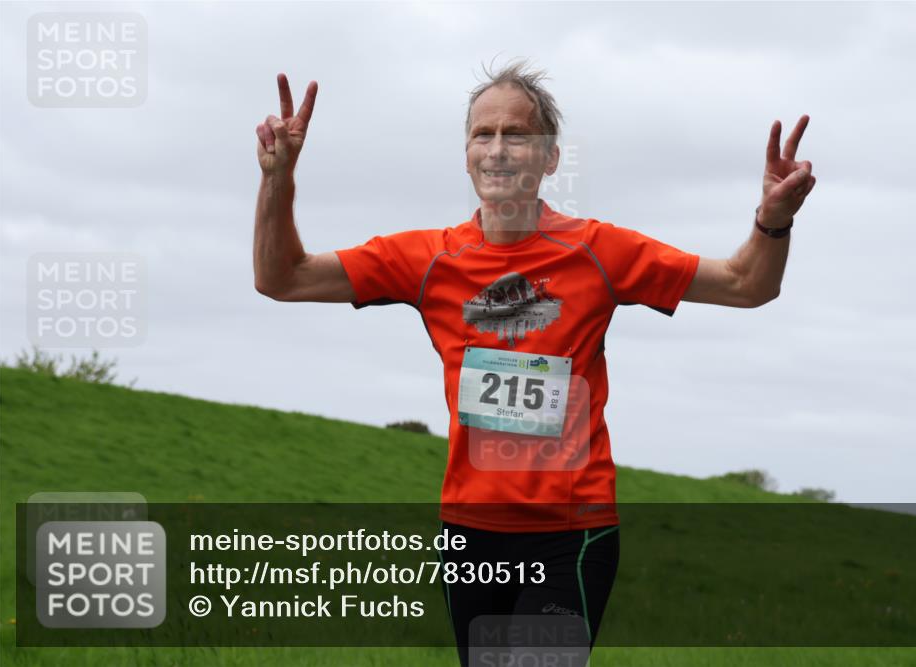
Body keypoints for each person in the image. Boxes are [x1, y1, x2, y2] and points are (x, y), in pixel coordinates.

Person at [253, 61, 815, 666]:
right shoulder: (426, 259)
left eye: (515, 135)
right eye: (482, 135)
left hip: (571, 532)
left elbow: (745, 285)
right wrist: (278, 179)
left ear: (549, 157)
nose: (497, 150)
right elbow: (281, 278)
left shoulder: (600, 251)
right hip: (470, 532)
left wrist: (773, 221)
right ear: (466, 153)